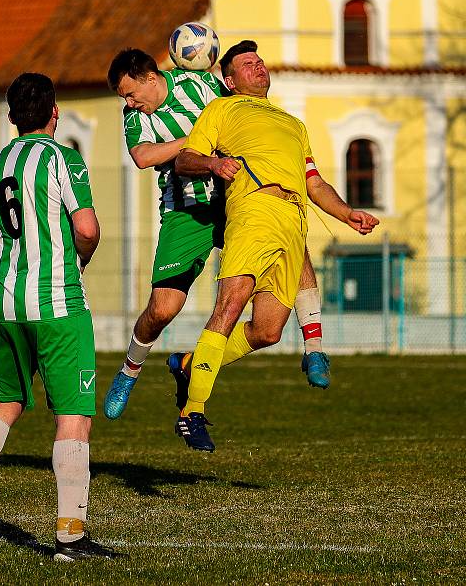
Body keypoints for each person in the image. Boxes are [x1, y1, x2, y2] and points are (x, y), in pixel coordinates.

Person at [0, 73, 118, 562]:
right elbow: (86, 226)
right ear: (55, 112)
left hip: (4, 306)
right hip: (58, 305)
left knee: (6, 403)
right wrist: (76, 256)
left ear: (11, 116)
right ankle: (69, 535)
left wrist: (8, 255)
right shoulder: (63, 158)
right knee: (74, 417)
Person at [169, 40, 380, 452]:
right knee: (229, 306)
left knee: (267, 332)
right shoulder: (222, 110)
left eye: (260, 61)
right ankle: (191, 411)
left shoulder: (293, 124)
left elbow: (314, 183)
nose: (258, 67)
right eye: (248, 64)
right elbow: (185, 159)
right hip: (254, 209)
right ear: (229, 80)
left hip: (292, 218)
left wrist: (346, 213)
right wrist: (213, 163)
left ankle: (189, 364)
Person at [103, 48, 333, 422]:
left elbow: (243, 108)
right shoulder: (136, 118)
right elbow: (144, 157)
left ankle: (314, 347)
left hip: (233, 202)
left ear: (149, 76)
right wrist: (201, 138)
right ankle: (130, 369)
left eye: (131, 94)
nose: (129, 103)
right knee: (163, 310)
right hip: (186, 211)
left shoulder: (200, 82)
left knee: (292, 251)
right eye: (124, 98)